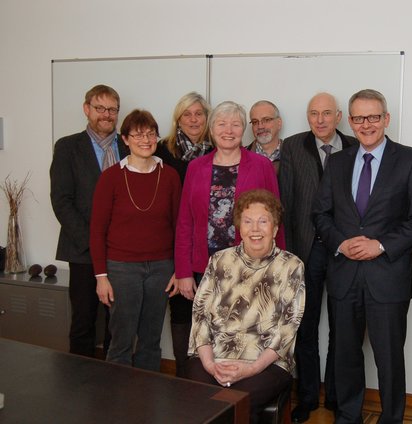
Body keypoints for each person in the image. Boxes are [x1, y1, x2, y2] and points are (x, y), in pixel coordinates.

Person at [313, 89, 412, 423]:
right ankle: (348, 416)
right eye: (359, 118)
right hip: (344, 275)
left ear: (386, 119)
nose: (366, 124)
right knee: (346, 356)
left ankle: (391, 418)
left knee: (389, 358)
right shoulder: (337, 162)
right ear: (349, 121)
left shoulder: (410, 159)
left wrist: (379, 245)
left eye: (374, 117)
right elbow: (321, 214)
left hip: (387, 277)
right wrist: (342, 243)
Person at [187, 189, 305, 424]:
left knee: (236, 404)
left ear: (275, 228)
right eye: (248, 221)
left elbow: (287, 330)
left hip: (266, 363)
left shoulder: (291, 266)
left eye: (263, 221)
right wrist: (211, 365)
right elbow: (200, 316)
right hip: (215, 356)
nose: (255, 229)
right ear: (239, 227)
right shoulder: (219, 260)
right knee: (198, 400)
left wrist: (250, 369)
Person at [279, 92, 357, 423]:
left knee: (343, 328)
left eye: (327, 113)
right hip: (305, 250)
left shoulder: (357, 146)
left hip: (344, 251)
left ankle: (339, 398)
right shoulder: (293, 146)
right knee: (305, 327)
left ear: (339, 116)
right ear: (307, 117)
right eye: (314, 113)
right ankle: (308, 396)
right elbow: (286, 199)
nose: (320, 119)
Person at [174, 100, 285, 322]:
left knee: (246, 330)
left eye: (235, 124)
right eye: (222, 124)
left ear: (243, 130)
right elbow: (185, 222)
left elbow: (275, 219)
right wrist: (183, 272)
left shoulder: (261, 165)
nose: (228, 130)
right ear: (212, 129)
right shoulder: (196, 167)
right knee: (207, 330)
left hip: (251, 266)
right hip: (205, 266)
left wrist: (277, 268)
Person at [90, 109, 181, 371]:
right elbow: (97, 230)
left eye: (151, 134)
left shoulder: (170, 176)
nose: (146, 140)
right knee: (121, 341)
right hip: (121, 269)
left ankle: (146, 398)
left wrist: (178, 269)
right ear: (125, 139)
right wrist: (101, 277)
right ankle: (119, 404)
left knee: (151, 341)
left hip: (161, 269)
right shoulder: (111, 178)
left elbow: (179, 226)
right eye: (138, 135)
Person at [50, 84, 128, 357]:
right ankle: (79, 385)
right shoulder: (68, 147)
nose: (106, 115)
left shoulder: (128, 146)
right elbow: (61, 201)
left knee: (116, 324)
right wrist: (92, 243)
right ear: (87, 109)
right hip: (83, 251)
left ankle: (112, 383)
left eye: (112, 110)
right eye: (100, 108)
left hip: (122, 252)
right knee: (84, 321)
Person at [155, 91, 213, 377]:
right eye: (187, 114)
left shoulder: (219, 149)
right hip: (173, 245)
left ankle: (208, 382)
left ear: (207, 117)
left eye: (199, 113)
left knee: (213, 316)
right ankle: (183, 378)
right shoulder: (160, 152)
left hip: (209, 248)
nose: (193, 119)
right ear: (178, 118)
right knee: (181, 312)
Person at [247, 100, 284, 175]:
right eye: (255, 122)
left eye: (266, 120)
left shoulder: (295, 155)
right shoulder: (241, 155)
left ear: (279, 123)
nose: (260, 126)